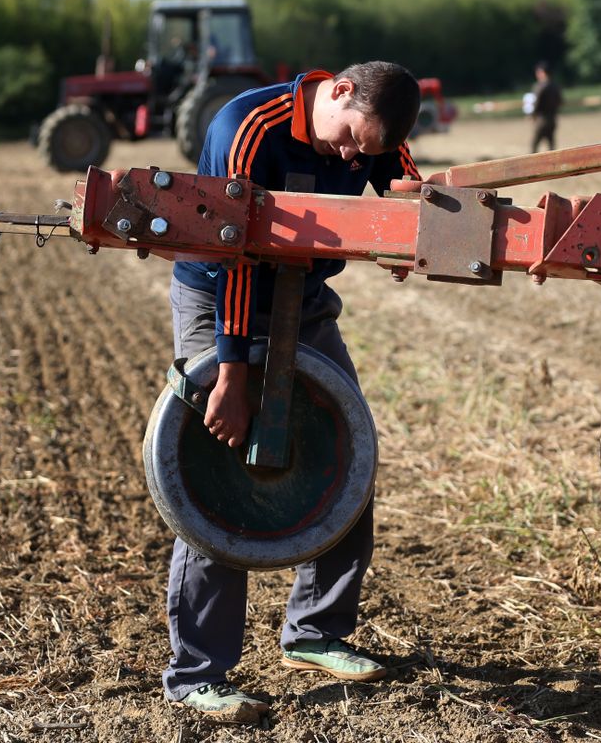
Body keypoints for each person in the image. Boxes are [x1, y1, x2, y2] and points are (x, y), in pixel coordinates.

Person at [165, 61, 422, 725]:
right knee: (216, 471)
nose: (348, 158)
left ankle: (315, 630)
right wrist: (231, 376)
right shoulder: (247, 128)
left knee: (348, 450)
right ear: (337, 89)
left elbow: (408, 188)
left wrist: (418, 235)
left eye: (361, 152)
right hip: (219, 291)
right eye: (346, 142)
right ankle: (197, 673)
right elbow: (236, 256)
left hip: (303, 300)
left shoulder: (371, 135)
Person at [529, 60, 563, 153]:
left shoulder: (539, 86)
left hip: (542, 119)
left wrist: (532, 115)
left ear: (541, 72)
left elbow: (536, 103)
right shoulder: (555, 85)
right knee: (551, 146)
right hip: (552, 119)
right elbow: (560, 101)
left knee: (534, 145)